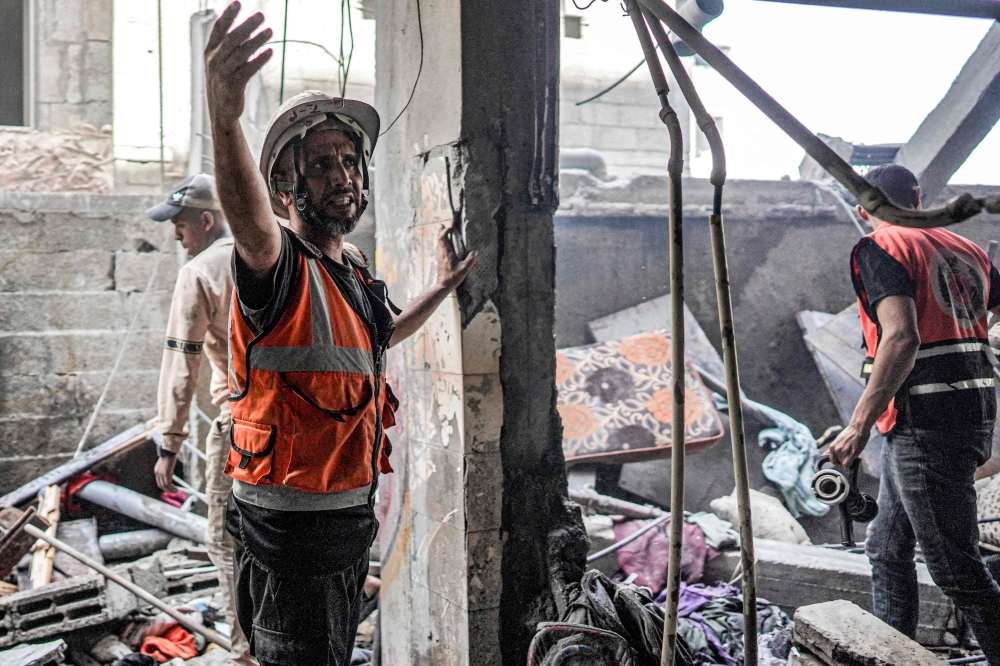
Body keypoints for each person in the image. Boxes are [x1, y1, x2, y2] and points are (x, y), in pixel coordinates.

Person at [203, 4, 478, 665]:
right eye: (324, 164)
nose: (345, 175)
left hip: (345, 511)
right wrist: (224, 117)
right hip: (289, 525)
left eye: (350, 161)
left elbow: (380, 337)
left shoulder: (350, 267)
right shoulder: (278, 262)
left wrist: (438, 292)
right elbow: (246, 220)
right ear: (286, 186)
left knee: (326, 652)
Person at [829, 164, 1000, 662]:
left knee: (954, 567)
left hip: (927, 417)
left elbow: (901, 337)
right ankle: (891, 655)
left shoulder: (879, 247)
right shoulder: (962, 247)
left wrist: (858, 423)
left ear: (863, 210)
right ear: (917, 198)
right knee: (886, 546)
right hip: (969, 409)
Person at [146, 174, 254, 666]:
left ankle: (247, 653)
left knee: (225, 541)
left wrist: (169, 441)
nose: (176, 236)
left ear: (207, 221)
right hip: (301, 426)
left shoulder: (201, 272)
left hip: (242, 426)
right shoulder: (283, 254)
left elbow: (181, 362)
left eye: (181, 225)